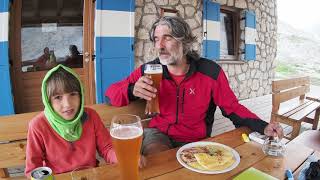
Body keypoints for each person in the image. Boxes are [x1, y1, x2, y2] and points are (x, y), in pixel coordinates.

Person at [105, 16, 283, 155]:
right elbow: (110, 93)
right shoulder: (149, 69)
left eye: (167, 38)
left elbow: (232, 108)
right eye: (156, 39)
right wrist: (131, 90)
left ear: (184, 42)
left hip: (196, 139)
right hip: (158, 135)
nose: (159, 46)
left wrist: (262, 125)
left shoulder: (210, 72)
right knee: (158, 158)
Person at [25, 64, 117, 176]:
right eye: (58, 97)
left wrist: (123, 158)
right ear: (48, 101)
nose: (67, 104)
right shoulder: (38, 125)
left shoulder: (91, 116)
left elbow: (107, 148)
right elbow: (33, 169)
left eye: (73, 94)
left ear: (81, 96)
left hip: (89, 176)